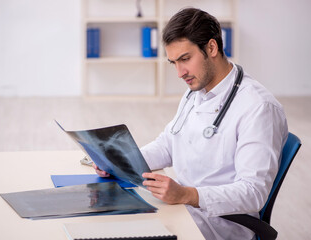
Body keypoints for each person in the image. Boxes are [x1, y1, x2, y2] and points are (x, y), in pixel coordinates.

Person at [95, 7, 288, 240]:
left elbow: (254, 192)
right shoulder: (196, 90)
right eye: (173, 62)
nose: (180, 72)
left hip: (221, 222)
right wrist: (123, 161)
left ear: (212, 47)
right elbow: (168, 143)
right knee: (106, 217)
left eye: (185, 59)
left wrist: (187, 195)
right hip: (183, 207)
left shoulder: (258, 107)